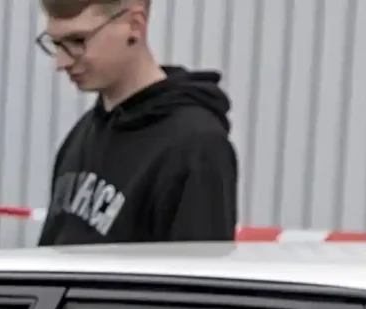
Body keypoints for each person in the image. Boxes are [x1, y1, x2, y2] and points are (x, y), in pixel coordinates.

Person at [37, 0, 236, 244]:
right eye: (56, 44)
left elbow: (196, 277)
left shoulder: (196, 147)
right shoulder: (81, 135)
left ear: (134, 25)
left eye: (77, 41)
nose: (61, 62)